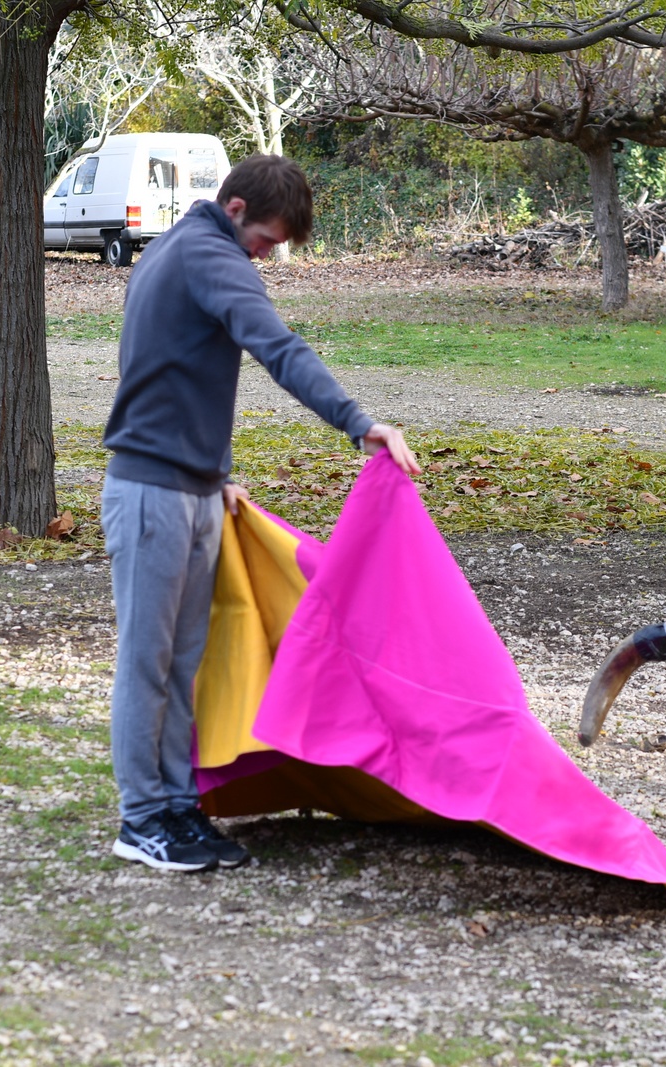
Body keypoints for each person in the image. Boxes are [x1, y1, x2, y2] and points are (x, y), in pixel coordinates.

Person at [102, 154, 420, 873]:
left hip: (184, 485)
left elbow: (169, 370)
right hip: (154, 492)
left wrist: (213, 473)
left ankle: (176, 807)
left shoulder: (172, 251)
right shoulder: (213, 256)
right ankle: (143, 817)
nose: (266, 259)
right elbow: (277, 347)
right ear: (237, 209)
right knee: (149, 664)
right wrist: (357, 421)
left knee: (181, 663)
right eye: (267, 242)